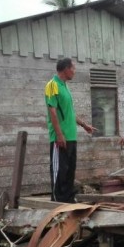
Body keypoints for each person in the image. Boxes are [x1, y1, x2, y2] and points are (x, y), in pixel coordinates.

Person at [45, 58, 96, 202]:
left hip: (71, 136)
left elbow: (70, 113)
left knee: (69, 170)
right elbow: (52, 112)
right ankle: (57, 200)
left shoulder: (65, 86)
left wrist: (84, 125)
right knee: (59, 170)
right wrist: (59, 135)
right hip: (60, 137)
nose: (74, 71)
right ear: (66, 69)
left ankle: (67, 199)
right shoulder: (52, 85)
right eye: (73, 68)